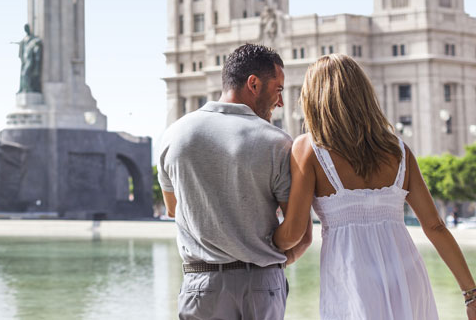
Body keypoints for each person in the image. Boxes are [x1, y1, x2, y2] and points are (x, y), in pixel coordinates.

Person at [274, 54, 476, 319]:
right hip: (407, 277)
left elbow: (293, 233)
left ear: (314, 99)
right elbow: (435, 226)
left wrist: (256, 248)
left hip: (351, 279)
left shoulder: (308, 149)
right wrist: (470, 294)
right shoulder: (399, 150)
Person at [158, 43, 311, 320]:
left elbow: (173, 209)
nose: (281, 102)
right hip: (260, 286)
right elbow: (299, 232)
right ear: (253, 84)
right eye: (278, 90)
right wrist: (269, 262)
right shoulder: (277, 143)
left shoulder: (174, 135)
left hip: (201, 287)